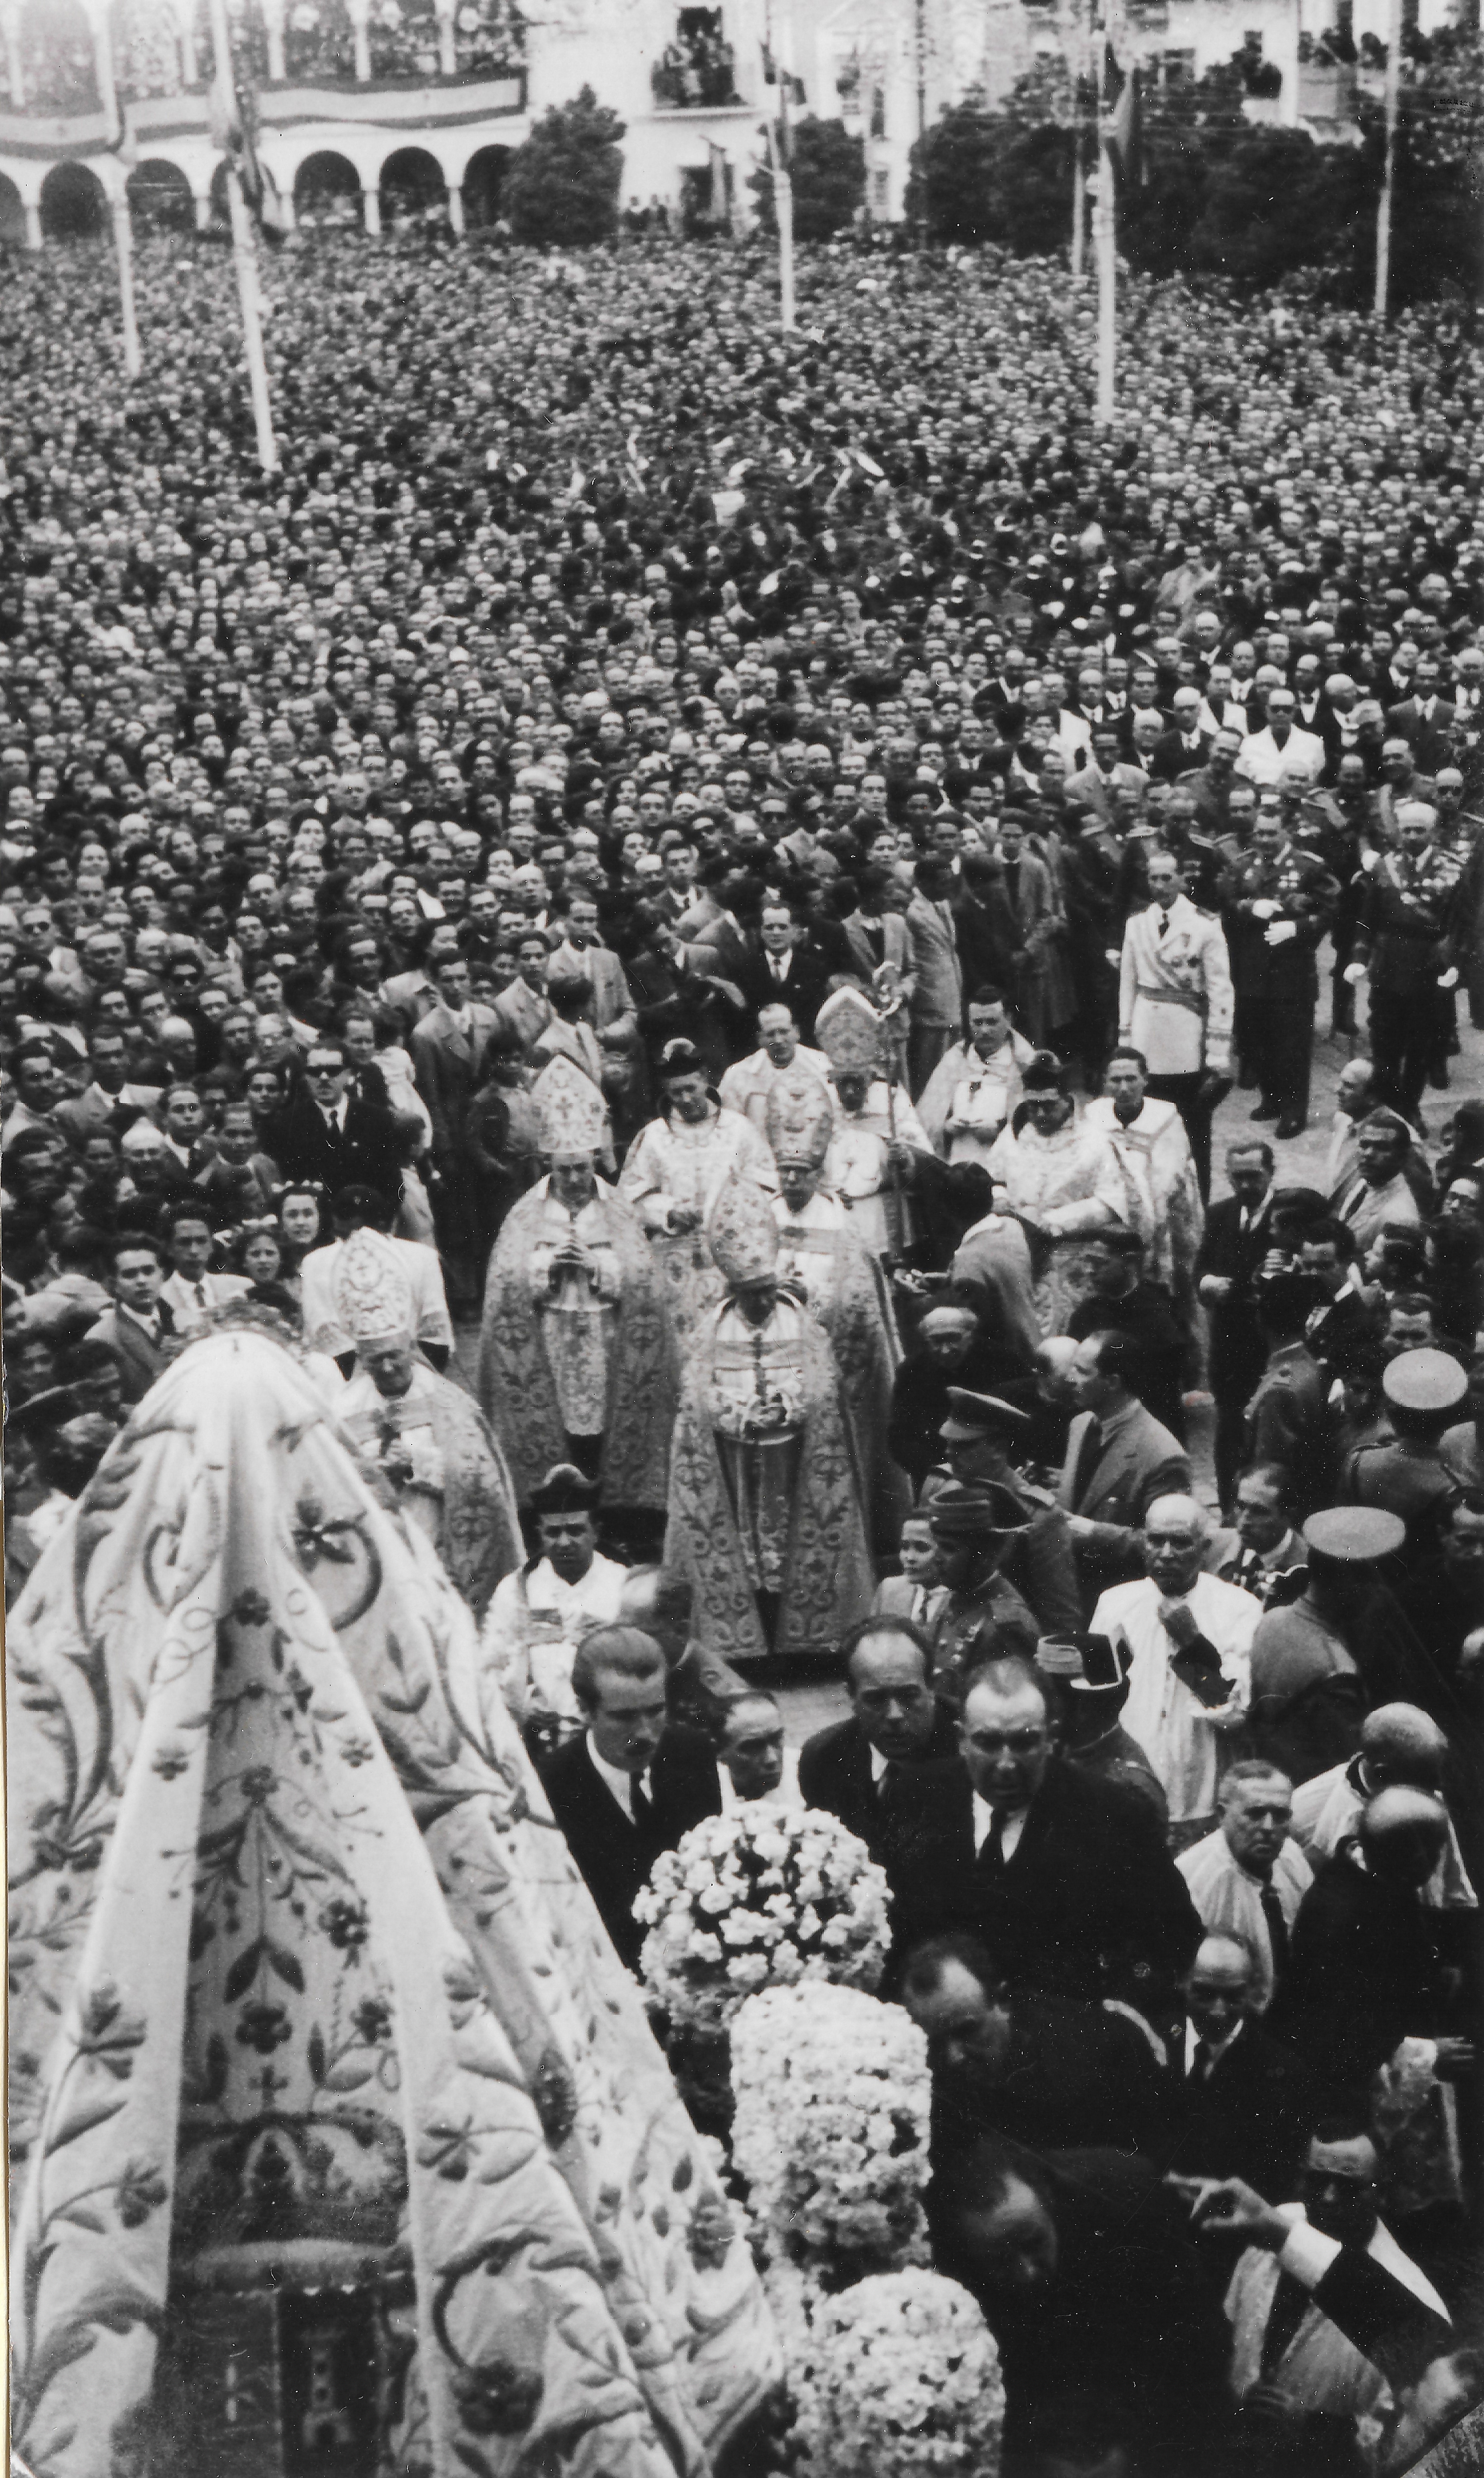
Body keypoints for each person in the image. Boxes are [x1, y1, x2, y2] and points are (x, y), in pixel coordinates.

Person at [932, 2133, 1232, 2476]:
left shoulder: (1122, 2194)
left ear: (1048, 2198)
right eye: (999, 2261)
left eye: (1033, 2242)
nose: (1026, 2271)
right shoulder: (946, 2265)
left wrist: (1136, 2452)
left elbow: (1196, 2344)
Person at [664, 1175, 874, 1664]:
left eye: (765, 1290)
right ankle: (748, 1646)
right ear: (732, 1288)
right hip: (735, 1464)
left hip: (793, 1460)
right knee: (744, 1550)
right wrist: (739, 1416)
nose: (760, 1303)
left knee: (792, 1546)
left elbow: (824, 1385)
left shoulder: (797, 1318)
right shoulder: (712, 1327)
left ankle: (802, 1647)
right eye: (749, 1294)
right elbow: (697, 1397)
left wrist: (784, 1406)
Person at [479, 1055, 677, 1521]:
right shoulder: (527, 1212)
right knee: (562, 1423)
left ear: (594, 1161)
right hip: (551, 1335)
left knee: (603, 1424)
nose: (572, 1180)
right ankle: (561, 1509)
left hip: (607, 1333)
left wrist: (598, 1267)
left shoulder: (618, 1209)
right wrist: (547, 1268)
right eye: (563, 1170)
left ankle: (614, 1511)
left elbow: (644, 1281)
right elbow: (505, 1282)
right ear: (550, 1163)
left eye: (581, 1169)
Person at [1205, 2126, 1452, 2464]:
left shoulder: (1408, 2298)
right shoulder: (1271, 2226)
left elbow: (1407, 2443)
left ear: (1380, 2193)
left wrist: (1312, 2430)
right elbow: (1230, 2326)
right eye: (1317, 2181)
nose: (1329, 2197)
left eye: (1349, 2187)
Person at [336, 1230, 521, 1621]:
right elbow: (327, 1479)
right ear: (361, 1359)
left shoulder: (448, 1403)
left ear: (410, 1348)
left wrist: (419, 1465)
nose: (386, 1369)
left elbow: (478, 1479)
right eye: (374, 1360)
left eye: (393, 1356)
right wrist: (370, 1472)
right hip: (377, 1552)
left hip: (441, 1546)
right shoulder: (343, 1409)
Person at [764, 1066, 907, 1547]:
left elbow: (855, 1302)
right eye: (784, 1170)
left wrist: (809, 1300)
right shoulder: (763, 1217)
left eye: (800, 1171)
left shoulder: (840, 1223)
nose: (791, 1179)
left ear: (817, 1170)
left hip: (829, 1367)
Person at [537, 1624, 722, 1973]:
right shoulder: (549, 1785)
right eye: (623, 1717)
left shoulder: (692, 1753)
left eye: (655, 1711)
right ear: (585, 1710)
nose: (644, 1733)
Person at [900, 1930, 1172, 2159]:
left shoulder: (1103, 2051)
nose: (953, 2057)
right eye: (933, 2043)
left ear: (1003, 2001)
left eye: (968, 2030)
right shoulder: (923, 2081)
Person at [1270, 1788, 1459, 2098]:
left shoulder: (1378, 1869)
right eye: (1437, 1850)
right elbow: (1330, 2035)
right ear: (1417, 1857)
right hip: (1347, 2093)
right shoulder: (1337, 1921)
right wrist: (1427, 2053)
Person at [1090, 1494, 1260, 1831]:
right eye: (1156, 1540)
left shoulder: (1240, 1608)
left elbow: (1235, 1713)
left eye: (1180, 1543)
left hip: (1199, 1797)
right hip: (1127, 1791)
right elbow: (1093, 1705)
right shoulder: (1114, 1605)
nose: (1166, 1554)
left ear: (1205, 1546)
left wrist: (1193, 1646)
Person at [617, 1036, 777, 1350]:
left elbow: (767, 1187)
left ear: (706, 1081)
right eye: (677, 1092)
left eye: (692, 1088)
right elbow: (631, 1199)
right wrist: (668, 1213)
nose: (686, 1099)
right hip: (676, 1265)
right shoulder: (653, 1137)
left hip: (731, 1260)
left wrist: (735, 1210)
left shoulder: (739, 1130)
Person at [1248, 1507, 1408, 1784]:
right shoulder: (1337, 1670)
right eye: (1371, 1584)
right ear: (1349, 1583)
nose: (1376, 1596)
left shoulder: (1273, 1620)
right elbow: (1345, 1772)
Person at [478, 1463, 628, 1757]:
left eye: (575, 1530)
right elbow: (491, 1666)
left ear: (596, 1531)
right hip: (538, 1742)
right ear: (540, 1534)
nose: (564, 1543)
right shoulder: (515, 1590)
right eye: (553, 1532)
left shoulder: (624, 1584)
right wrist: (523, 1706)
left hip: (608, 1738)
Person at [1117, 843, 1234, 1199]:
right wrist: (1125, 1036)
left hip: (1184, 1035)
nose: (1160, 885)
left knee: (1191, 1125)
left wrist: (1217, 1053)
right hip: (1145, 1031)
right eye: (1153, 878)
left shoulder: (1204, 925)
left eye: (1167, 878)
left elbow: (1220, 990)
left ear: (1182, 880)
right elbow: (1128, 983)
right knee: (1145, 1120)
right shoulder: (1137, 923)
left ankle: (1197, 1197)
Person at [983, 1051, 1128, 1334]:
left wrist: (1054, 1222)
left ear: (1067, 1100)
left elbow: (1111, 1202)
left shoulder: (1094, 1143)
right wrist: (1000, 1198)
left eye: (1048, 1106)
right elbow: (994, 1178)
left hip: (1069, 1256)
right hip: (1019, 1253)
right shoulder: (1014, 1136)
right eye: (1033, 1105)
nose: (1039, 1114)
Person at [1167, 1933, 1316, 2202]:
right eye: (1205, 1993)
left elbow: (1278, 2182)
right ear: (1183, 1982)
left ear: (1253, 1990)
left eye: (1233, 1997)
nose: (1218, 2011)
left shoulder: (1284, 2073)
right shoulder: (1149, 2043)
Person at [1349, 801, 1469, 1126]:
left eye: (1420, 830)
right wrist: (1359, 958)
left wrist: (1457, 964)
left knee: (1421, 1044)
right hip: (1388, 967)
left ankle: (1411, 1106)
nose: (1413, 836)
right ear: (1398, 832)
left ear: (1433, 833)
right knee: (1384, 1042)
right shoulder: (1383, 867)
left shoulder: (1454, 869)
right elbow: (1366, 920)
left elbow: (1462, 923)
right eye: (1407, 830)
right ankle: (1388, 1107)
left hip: (1429, 967)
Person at [1221, 808, 1339, 1137]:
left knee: (1292, 1045)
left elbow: (1331, 908)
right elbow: (1226, 900)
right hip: (1253, 969)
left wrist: (1298, 927)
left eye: (1272, 833)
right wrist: (1246, 907)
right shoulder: (1243, 865)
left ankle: (1294, 1109)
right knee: (1258, 1042)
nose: (1265, 839)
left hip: (1292, 971)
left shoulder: (1309, 866)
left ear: (1285, 832)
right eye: (1260, 833)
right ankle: (1271, 1099)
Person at [1059, 1328, 1194, 1606]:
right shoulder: (1080, 1425)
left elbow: (1167, 1543)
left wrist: (1094, 1533)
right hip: (1070, 1591)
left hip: (1119, 1596)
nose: (1070, 1379)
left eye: (1082, 1372)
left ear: (1113, 1382)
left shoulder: (1162, 1455)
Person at [1177, 1763, 1314, 2014]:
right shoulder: (1194, 1882)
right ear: (1222, 1814)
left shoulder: (1292, 1858)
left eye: (1281, 1816)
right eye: (1255, 1813)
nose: (1269, 1828)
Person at [1082, 1044, 1204, 1306]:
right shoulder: (1094, 1114)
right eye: (1116, 1080)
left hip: (1159, 1210)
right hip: (1110, 1201)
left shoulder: (1166, 1117)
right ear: (1105, 1082)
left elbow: (1169, 1172)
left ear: (1146, 1080)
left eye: (1131, 1079)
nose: (1124, 1088)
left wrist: (1140, 1209)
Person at [1198, 1139, 1279, 1515]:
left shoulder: (1285, 1219)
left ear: (1270, 1173)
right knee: (1227, 1429)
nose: (1245, 1186)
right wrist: (1206, 1285)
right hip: (1227, 1348)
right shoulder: (1219, 1215)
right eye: (1237, 1178)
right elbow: (1199, 1268)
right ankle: (1229, 1507)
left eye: (1253, 1177)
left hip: (1268, 1348)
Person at [299, 1184, 454, 1369]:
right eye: (346, 1236)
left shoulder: (423, 1257)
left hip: (413, 1369)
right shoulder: (316, 1263)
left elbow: (435, 1335)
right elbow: (324, 1331)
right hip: (350, 1377)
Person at [1032, 1626, 1168, 1819]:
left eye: (1049, 1698)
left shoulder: (1130, 1790)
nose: (1040, 1710)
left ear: (1086, 1706)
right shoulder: (1058, 1752)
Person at [915, 985, 1036, 1170]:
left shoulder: (1025, 1063)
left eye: (992, 1022)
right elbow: (926, 1120)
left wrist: (1001, 1130)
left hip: (1005, 1167)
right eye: (978, 1023)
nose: (985, 1030)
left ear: (1009, 1020)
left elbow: (1037, 1125)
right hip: (955, 1164)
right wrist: (946, 1128)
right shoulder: (954, 1060)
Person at [84, 1231, 179, 1403]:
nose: (142, 1281)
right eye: (130, 1275)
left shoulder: (183, 1320)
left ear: (162, 1275)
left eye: (149, 1271)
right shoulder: (102, 1337)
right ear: (114, 1285)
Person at [716, 999, 830, 1132]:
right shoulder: (738, 1074)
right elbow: (729, 1124)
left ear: (796, 1032)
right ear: (760, 1039)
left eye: (784, 1032)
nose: (778, 1041)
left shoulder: (823, 1065)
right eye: (770, 1035)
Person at [713, 1690, 802, 1811]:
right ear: (719, 1751)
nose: (772, 1759)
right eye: (753, 1748)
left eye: (776, 1739)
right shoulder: (704, 1792)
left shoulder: (808, 1770)